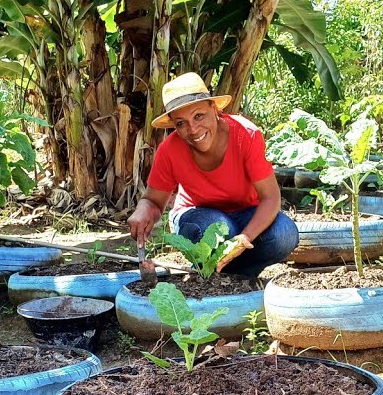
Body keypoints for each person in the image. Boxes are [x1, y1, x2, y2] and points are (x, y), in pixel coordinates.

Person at [127, 73, 299, 278]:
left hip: (246, 214)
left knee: (284, 234)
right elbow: (153, 202)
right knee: (219, 227)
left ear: (214, 109)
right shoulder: (169, 150)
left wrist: (244, 238)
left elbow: (271, 198)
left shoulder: (246, 135)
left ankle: (233, 275)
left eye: (199, 116)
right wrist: (143, 210)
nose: (192, 129)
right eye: (181, 123)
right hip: (198, 215)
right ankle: (223, 276)